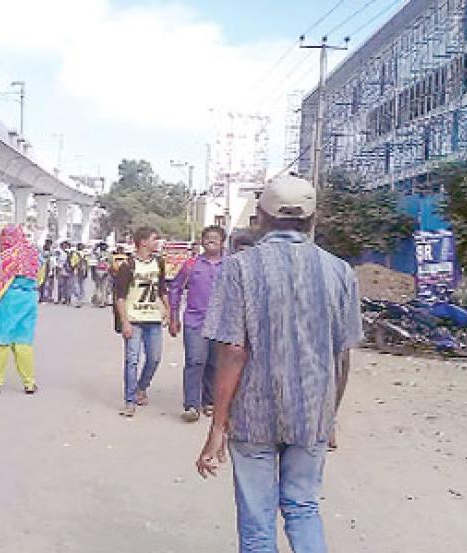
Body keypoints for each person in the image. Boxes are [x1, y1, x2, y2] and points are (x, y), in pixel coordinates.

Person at [195, 174, 361, 552]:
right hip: (312, 414)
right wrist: (329, 415)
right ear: (313, 218)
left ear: (261, 219)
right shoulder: (339, 271)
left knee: (257, 524)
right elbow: (342, 355)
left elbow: (233, 352)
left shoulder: (239, 268)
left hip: (253, 415)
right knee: (303, 508)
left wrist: (217, 427)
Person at [167, 225, 227, 423]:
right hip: (195, 321)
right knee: (195, 361)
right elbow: (175, 289)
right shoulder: (191, 265)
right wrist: (173, 316)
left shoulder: (230, 265)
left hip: (221, 323)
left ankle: (209, 401)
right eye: (207, 237)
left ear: (222, 242)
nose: (211, 240)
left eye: (215, 238)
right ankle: (192, 405)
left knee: (214, 364)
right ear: (202, 241)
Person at [112, 227, 170, 417]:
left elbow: (162, 288)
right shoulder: (128, 266)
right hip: (134, 318)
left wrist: (168, 310)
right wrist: (125, 322)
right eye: (155, 239)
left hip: (152, 318)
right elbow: (120, 296)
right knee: (132, 360)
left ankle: (141, 387)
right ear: (143, 242)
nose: (157, 243)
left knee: (154, 358)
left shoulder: (159, 262)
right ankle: (130, 401)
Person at [0, 225, 41, 395]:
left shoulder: (6, 256)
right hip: (29, 299)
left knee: (0, 340)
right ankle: (29, 383)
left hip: (8, 300)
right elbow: (40, 277)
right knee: (24, 340)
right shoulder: (35, 254)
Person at [90, 242, 113, 307]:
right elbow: (93, 263)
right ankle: (97, 301)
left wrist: (109, 272)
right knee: (97, 287)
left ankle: (103, 302)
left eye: (104, 246)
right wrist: (93, 273)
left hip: (106, 272)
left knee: (104, 287)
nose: (103, 247)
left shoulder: (109, 254)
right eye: (102, 246)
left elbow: (111, 263)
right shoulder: (96, 254)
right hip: (98, 272)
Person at [71, 243, 90, 307]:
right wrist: (76, 266)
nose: (80, 247)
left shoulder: (85, 254)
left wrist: (86, 271)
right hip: (76, 271)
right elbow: (73, 263)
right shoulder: (75, 254)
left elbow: (87, 263)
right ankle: (77, 298)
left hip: (83, 271)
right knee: (76, 286)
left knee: (82, 285)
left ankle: (81, 299)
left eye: (81, 246)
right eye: (79, 246)